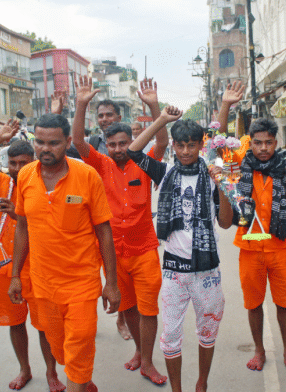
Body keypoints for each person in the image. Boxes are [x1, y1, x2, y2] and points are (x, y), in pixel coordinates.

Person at [8, 113, 121, 392]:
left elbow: (104, 231)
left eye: (54, 143)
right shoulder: (25, 176)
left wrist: (112, 283)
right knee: (61, 353)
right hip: (43, 285)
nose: (45, 149)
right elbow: (22, 227)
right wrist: (15, 276)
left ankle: (79, 381)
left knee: (79, 346)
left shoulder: (86, 176)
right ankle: (81, 382)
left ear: (68, 141)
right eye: (40, 142)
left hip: (81, 284)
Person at [128, 106, 234, 392]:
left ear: (201, 145)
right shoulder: (165, 172)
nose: (186, 151)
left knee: (207, 332)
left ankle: (202, 383)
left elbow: (225, 223)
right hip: (174, 271)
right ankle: (177, 389)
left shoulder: (214, 174)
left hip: (207, 272)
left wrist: (221, 185)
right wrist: (161, 119)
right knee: (170, 336)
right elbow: (134, 151)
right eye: (181, 145)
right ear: (173, 146)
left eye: (192, 145)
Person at [72, 75, 168, 385]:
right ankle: (140, 352)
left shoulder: (145, 162)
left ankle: (148, 362)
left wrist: (154, 106)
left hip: (144, 251)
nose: (117, 149)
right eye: (112, 144)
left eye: (123, 143)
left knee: (149, 310)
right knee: (127, 309)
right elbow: (76, 143)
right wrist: (82, 104)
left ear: (132, 142)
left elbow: (163, 141)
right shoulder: (99, 163)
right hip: (113, 254)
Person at [0, 122, 65, 391]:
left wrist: (18, 214)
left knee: (44, 324)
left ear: (34, 161)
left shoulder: (44, 184)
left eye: (23, 163)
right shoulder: (2, 182)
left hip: (37, 266)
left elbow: (54, 224)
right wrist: (0, 137)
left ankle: (51, 372)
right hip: (6, 268)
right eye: (12, 163)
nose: (17, 169)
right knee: (15, 323)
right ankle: (24, 369)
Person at [233, 118, 286, 375]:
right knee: (253, 304)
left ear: (277, 143)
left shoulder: (285, 174)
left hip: (279, 248)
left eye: (268, 142)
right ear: (249, 143)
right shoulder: (239, 173)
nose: (263, 147)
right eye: (258, 142)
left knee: (285, 304)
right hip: (249, 248)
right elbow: (217, 145)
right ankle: (259, 350)